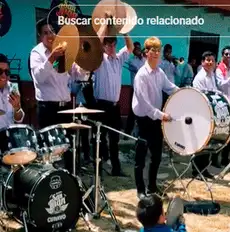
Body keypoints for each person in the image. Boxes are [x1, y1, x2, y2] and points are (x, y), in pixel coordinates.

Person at [30, 20, 86, 169]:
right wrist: (52, 57)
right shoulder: (37, 53)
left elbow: (78, 76)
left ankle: (71, 182)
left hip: (65, 109)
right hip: (48, 109)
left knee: (68, 149)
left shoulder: (64, 52)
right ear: (40, 36)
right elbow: (39, 77)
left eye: (52, 31)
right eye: (46, 33)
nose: (50, 35)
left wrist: (84, 64)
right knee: (49, 152)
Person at [132, 37, 180, 197]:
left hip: (156, 121)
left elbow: (170, 87)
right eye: (153, 50)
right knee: (140, 158)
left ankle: (152, 187)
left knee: (156, 156)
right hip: (144, 120)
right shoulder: (141, 76)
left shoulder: (160, 73)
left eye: (158, 51)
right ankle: (140, 190)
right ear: (146, 53)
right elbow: (145, 105)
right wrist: (162, 115)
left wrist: (184, 93)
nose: (156, 54)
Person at [93, 32, 132, 178]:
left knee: (114, 139)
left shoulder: (118, 59)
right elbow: (96, 46)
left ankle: (116, 168)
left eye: (114, 44)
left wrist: (125, 32)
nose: (112, 47)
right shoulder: (99, 59)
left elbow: (129, 47)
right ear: (104, 45)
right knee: (100, 139)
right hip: (101, 105)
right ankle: (100, 168)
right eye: (109, 44)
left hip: (115, 106)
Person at [191, 51, 230, 177]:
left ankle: (204, 170)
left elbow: (214, 92)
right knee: (200, 144)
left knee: (207, 144)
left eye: (212, 60)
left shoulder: (211, 75)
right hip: (200, 113)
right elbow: (201, 96)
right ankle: (196, 171)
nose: (210, 62)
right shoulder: (200, 78)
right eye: (207, 60)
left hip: (209, 114)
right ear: (202, 62)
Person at [0, 55, 25, 132]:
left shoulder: (13, 87)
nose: (3, 75)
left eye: (7, 72)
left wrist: (17, 108)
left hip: (10, 137)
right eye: (0, 71)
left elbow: (18, 119)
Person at [125, 41, 145, 134]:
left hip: (143, 89)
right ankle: (127, 132)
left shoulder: (144, 60)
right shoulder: (131, 60)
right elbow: (138, 69)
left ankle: (141, 132)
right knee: (132, 112)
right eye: (136, 48)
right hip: (135, 89)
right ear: (133, 50)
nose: (138, 50)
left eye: (139, 48)